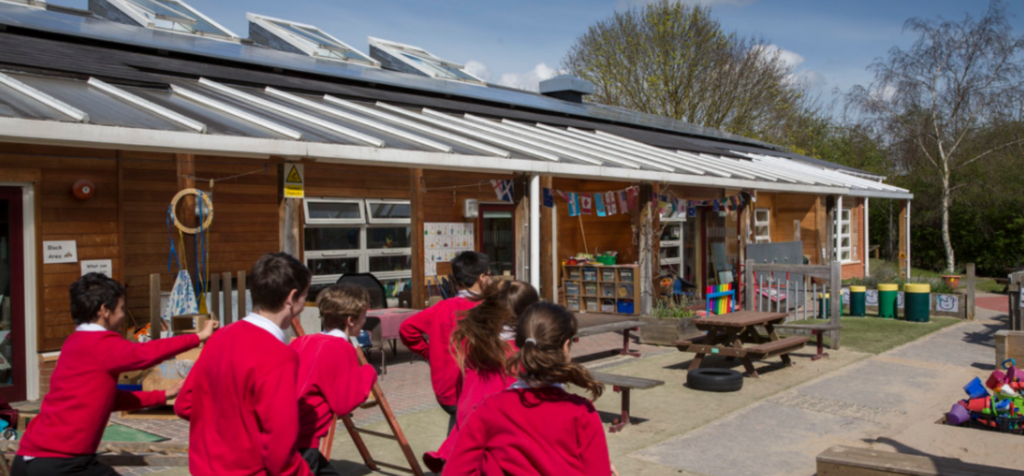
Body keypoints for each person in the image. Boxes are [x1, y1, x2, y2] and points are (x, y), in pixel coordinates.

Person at [14, 273, 218, 476]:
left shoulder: (74, 342)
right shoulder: (101, 344)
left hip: (30, 457)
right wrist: (199, 336)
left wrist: (164, 395)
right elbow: (144, 354)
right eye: (121, 309)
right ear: (104, 310)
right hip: (61, 461)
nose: (122, 316)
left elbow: (109, 398)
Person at [175, 253, 313, 476]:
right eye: (305, 297)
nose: (304, 305)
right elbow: (280, 450)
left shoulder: (219, 338)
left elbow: (185, 403)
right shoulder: (279, 356)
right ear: (291, 297)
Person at [444, 302, 611, 476]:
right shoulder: (582, 413)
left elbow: (455, 471)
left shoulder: (489, 409)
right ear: (565, 347)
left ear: (520, 345)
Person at [423, 280, 539, 472]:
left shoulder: (477, 346)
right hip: (500, 444)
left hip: (468, 434)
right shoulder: (522, 355)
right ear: (530, 314)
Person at [399, 251, 490, 434]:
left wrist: (427, 351)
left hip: (444, 391)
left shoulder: (442, 307)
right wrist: (427, 351)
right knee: (463, 440)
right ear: (482, 278)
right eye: (490, 275)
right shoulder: (486, 309)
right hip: (472, 391)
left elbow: (406, 329)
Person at [292, 284, 378, 475]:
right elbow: (344, 404)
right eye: (364, 315)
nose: (365, 319)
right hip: (305, 437)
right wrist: (368, 373)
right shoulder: (341, 348)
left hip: (285, 430)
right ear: (350, 320)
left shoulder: (301, 341)